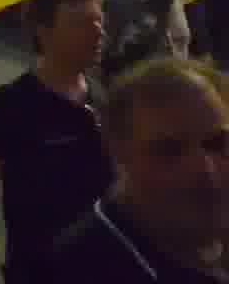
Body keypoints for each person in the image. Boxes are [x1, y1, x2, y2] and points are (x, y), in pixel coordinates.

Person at [0, 0, 113, 284]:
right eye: (82, 24)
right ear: (43, 32)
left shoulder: (103, 97)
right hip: (37, 267)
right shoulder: (13, 102)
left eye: (99, 22)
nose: (98, 33)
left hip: (100, 262)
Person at [48, 57, 229, 283]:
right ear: (119, 155)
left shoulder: (197, 240)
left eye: (217, 142)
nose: (206, 170)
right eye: (170, 150)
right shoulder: (82, 269)